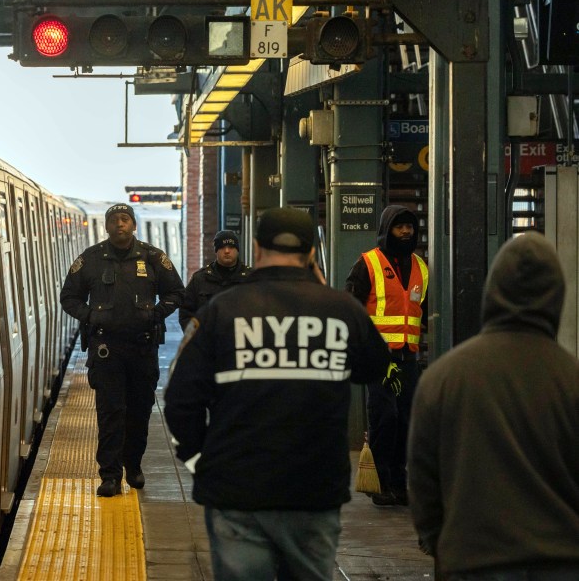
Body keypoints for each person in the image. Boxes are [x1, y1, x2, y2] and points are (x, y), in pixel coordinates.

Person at [164, 207, 389, 581]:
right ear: (312, 253)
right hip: (314, 489)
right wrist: (322, 292)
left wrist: (199, 458)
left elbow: (180, 400)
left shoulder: (222, 311)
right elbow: (374, 367)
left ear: (255, 247)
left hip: (236, 488)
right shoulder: (341, 310)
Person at [408, 231, 579, 580]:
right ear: (557, 297)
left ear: (493, 291)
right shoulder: (571, 380)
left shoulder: (443, 378)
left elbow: (423, 479)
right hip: (561, 563)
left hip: (472, 562)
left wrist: (442, 545)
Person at [60, 202, 185, 497]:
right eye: (114, 220)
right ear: (106, 226)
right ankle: (110, 475)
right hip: (107, 349)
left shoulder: (154, 258)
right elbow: (69, 297)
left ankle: (134, 466)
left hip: (143, 348)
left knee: (139, 411)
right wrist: (91, 316)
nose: (120, 224)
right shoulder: (90, 259)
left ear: (133, 225)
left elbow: (177, 292)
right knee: (110, 412)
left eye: (125, 219)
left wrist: (156, 314)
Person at [344, 204, 428, 507]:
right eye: (399, 227)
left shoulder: (421, 266)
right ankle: (379, 482)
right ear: (387, 228)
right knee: (385, 418)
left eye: (410, 227)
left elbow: (420, 312)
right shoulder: (368, 264)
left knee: (406, 419)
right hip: (379, 359)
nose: (406, 232)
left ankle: (398, 481)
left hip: (408, 359)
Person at [178, 230, 252, 329]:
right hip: (209, 342)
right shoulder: (200, 279)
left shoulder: (251, 278)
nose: (226, 251)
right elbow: (186, 313)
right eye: (222, 247)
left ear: (237, 250)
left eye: (231, 247)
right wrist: (197, 338)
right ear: (216, 250)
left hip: (242, 340)